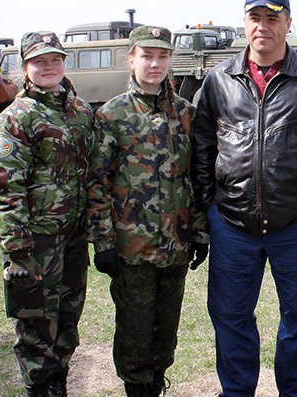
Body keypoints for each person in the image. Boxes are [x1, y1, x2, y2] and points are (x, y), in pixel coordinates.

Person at [191, 0, 297, 397]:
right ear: (245, 23)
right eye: (255, 18)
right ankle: (237, 391)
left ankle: (295, 392)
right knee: (230, 316)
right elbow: (203, 147)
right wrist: (210, 206)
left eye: (273, 18)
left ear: (288, 23)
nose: (264, 26)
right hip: (232, 224)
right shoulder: (219, 80)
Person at [86, 26, 208, 397]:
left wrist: (200, 230)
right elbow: (97, 181)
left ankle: (157, 383)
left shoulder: (186, 113)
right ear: (132, 59)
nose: (155, 64)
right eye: (147, 56)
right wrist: (103, 241)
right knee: (135, 327)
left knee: (166, 326)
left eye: (162, 57)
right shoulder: (112, 114)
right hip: (131, 247)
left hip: (175, 243)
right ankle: (137, 388)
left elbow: (197, 176)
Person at [0, 31, 94, 397]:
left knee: (66, 321)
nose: (49, 67)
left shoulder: (80, 113)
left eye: (55, 60)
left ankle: (58, 383)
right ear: (25, 67)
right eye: (39, 62)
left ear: (64, 63)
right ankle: (38, 387)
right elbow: (3, 190)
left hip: (74, 238)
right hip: (35, 244)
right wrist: (17, 251)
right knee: (35, 327)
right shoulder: (15, 120)